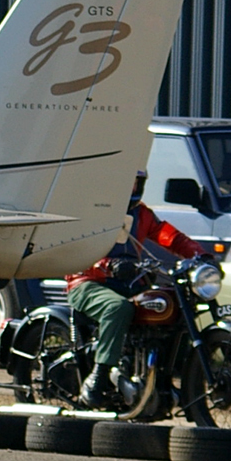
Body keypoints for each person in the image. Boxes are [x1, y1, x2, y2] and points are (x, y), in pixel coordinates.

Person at [68, 169, 203, 408]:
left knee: (172, 304)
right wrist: (108, 264)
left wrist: (201, 255)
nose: (131, 188)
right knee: (117, 308)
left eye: (136, 182)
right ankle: (97, 379)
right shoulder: (94, 210)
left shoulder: (142, 214)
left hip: (130, 284)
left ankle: (165, 376)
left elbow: (171, 238)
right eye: (126, 181)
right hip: (89, 282)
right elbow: (77, 247)